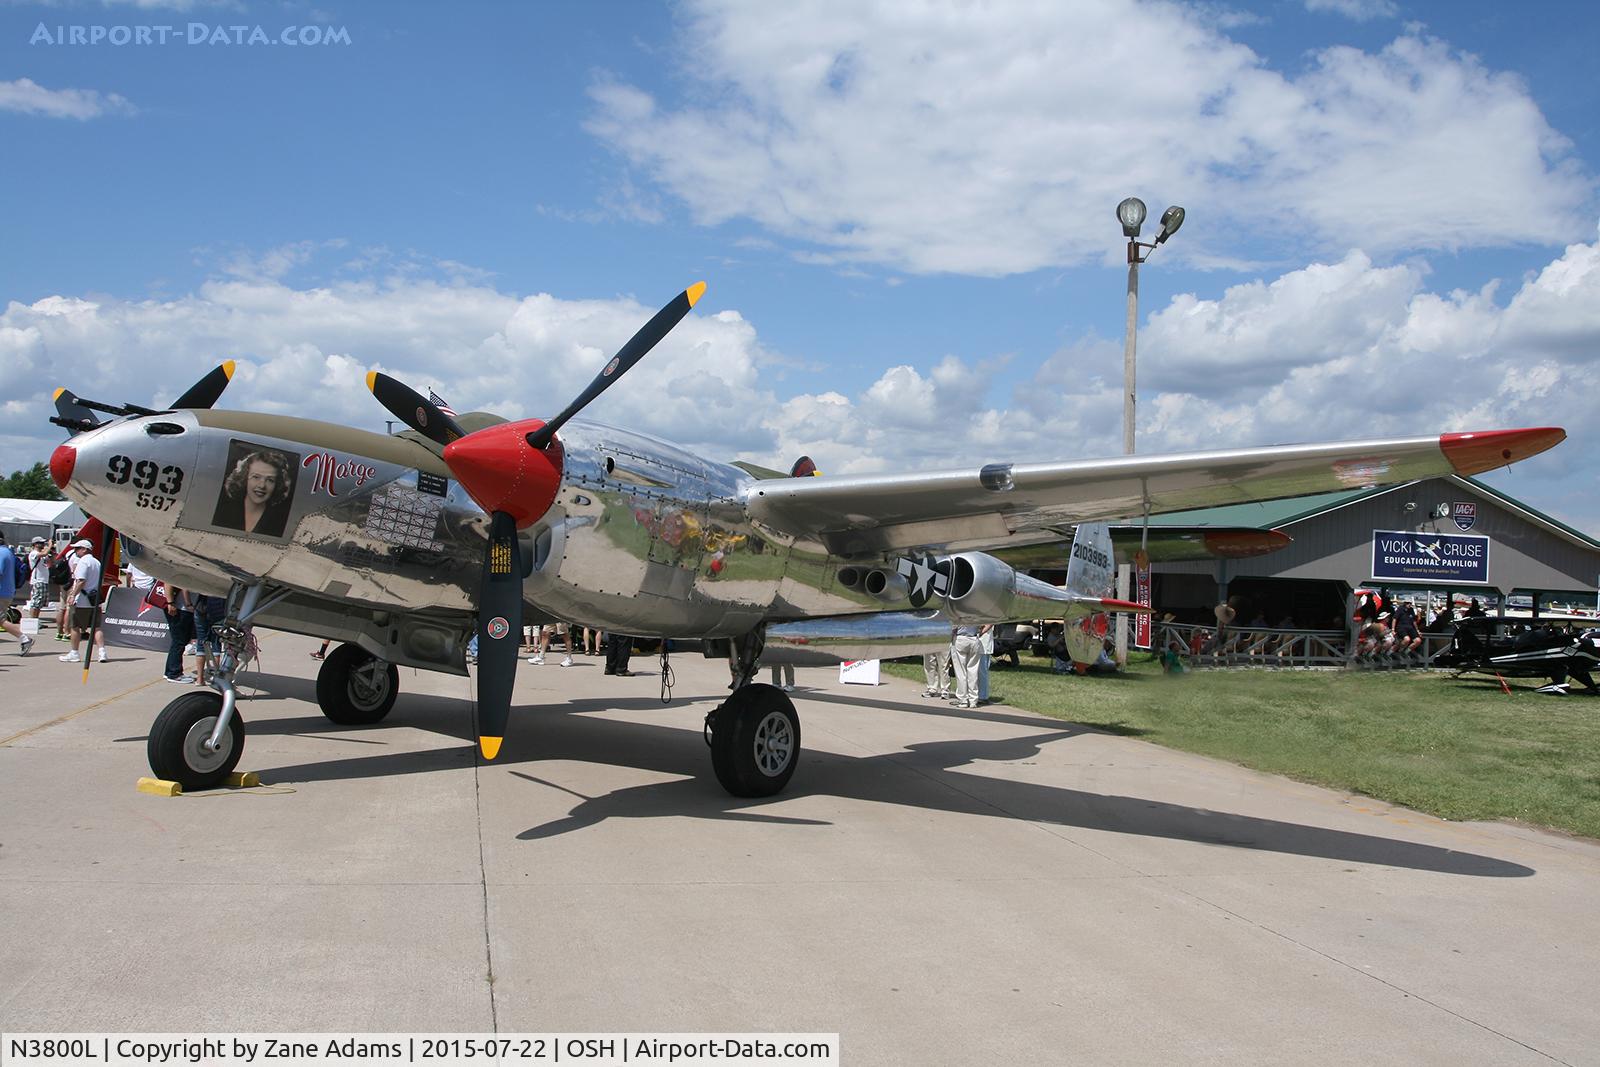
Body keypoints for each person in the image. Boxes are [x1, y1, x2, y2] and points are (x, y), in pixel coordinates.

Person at [211, 448, 294, 537]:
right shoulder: (222, 512)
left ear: (277, 484)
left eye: (270, 480)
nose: (262, 485)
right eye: (256, 477)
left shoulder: (280, 523)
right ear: (244, 478)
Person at [57, 539, 105, 664]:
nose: (75, 551)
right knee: (96, 627)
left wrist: (72, 595)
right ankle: (102, 652)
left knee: (75, 627)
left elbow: (81, 581)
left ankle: (74, 652)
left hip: (82, 600)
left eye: (78, 548)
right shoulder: (97, 562)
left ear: (85, 549)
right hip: (94, 600)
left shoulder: (83, 562)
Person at [1, 533, 33, 655]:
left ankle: (24, 638)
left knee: (1, 620)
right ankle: (24, 639)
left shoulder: (1, 553)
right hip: (7, 591)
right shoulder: (8, 552)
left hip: (1, 592)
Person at [161, 581, 195, 683]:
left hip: (182, 608)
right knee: (179, 641)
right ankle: (174, 673)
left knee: (180, 641)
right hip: (180, 608)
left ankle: (171, 672)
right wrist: (170, 603)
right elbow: (169, 583)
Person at [950, 623, 982, 709]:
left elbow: (953, 627)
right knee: (973, 671)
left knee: (961, 672)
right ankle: (973, 700)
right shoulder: (977, 613)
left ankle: (963, 699)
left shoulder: (960, 612)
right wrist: (981, 632)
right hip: (974, 638)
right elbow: (986, 624)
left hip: (961, 638)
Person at [25, 536, 52, 622]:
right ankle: (32, 620)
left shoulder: (43, 554)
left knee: (40, 603)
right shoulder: (33, 553)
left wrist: (50, 552)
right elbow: (43, 554)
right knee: (35, 602)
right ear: (35, 544)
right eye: (41, 543)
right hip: (38, 580)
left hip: (44, 580)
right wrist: (50, 545)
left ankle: (36, 620)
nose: (43, 544)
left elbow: (49, 563)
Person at [976, 623, 994, 703]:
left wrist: (980, 633)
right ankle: (977, 694)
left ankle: (983, 696)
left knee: (982, 671)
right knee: (976, 671)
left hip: (983, 643)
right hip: (977, 642)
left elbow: (990, 623)